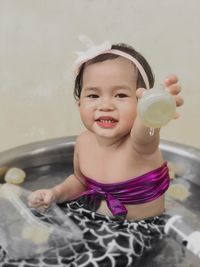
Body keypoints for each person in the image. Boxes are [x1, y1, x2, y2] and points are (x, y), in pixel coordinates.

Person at [28, 39, 183, 266]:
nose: (106, 105)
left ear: (141, 102)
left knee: (97, 261)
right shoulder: (83, 142)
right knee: (35, 245)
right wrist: (56, 192)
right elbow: (81, 181)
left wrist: (156, 110)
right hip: (87, 214)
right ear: (78, 103)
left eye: (120, 95)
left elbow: (147, 129)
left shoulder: (140, 145)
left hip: (135, 231)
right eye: (93, 95)